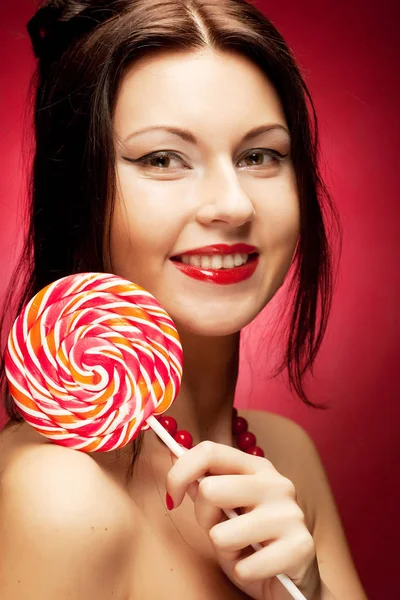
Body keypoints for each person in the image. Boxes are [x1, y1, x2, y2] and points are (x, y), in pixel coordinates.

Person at [0, 1, 368, 598]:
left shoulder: (287, 457)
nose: (234, 204)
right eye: (162, 159)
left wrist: (307, 592)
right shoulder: (57, 494)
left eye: (260, 155)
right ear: (81, 193)